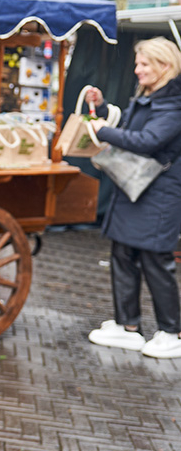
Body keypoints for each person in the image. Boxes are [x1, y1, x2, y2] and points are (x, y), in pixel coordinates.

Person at [85, 36, 181, 359]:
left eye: (143, 64)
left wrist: (103, 131)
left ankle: (171, 332)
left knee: (156, 261)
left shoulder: (175, 103)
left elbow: (148, 141)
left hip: (159, 195)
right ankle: (128, 327)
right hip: (135, 191)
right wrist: (100, 108)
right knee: (122, 254)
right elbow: (128, 128)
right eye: (137, 63)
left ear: (164, 66)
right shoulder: (149, 96)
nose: (137, 69)